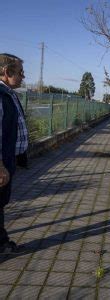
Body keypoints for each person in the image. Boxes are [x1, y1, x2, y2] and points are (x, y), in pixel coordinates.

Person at [0, 53, 28, 254]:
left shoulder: (8, 93)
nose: (23, 76)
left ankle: (1, 243)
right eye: (20, 72)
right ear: (6, 72)